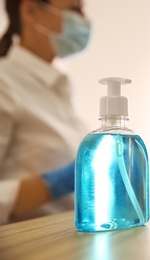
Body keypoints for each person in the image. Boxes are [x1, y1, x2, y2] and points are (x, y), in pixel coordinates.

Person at [0, 0, 91, 224]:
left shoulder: (57, 86)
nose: (84, 21)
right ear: (31, 11)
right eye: (73, 10)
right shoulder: (4, 83)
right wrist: (54, 184)